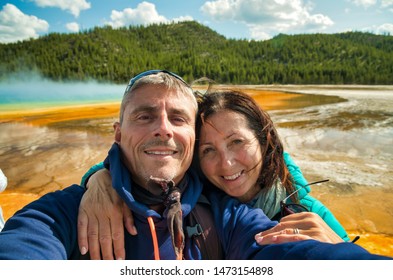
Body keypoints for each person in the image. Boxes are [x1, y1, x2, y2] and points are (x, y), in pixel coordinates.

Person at [0, 70, 389, 260]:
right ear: (116, 135)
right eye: (145, 116)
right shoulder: (63, 214)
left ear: (265, 144)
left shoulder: (231, 215)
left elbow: (293, 255)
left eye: (179, 119)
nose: (164, 131)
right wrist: (99, 179)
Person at [77, 86, 351, 260]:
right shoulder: (198, 189)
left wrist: (339, 249)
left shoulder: (309, 211)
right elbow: (144, 165)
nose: (227, 164)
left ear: (264, 140)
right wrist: (101, 179)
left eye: (237, 142)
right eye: (209, 150)